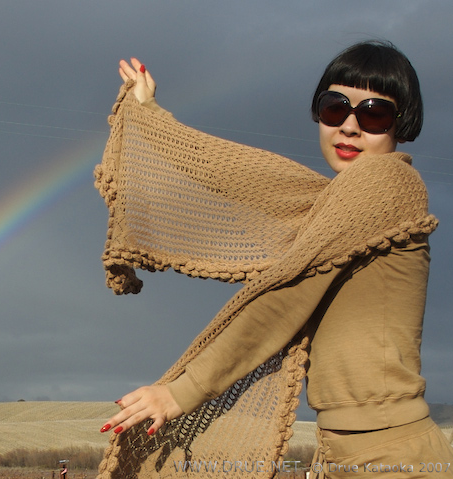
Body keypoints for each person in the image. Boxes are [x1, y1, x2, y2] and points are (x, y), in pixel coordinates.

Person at [95, 41, 452, 478]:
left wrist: (181, 392)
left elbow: (285, 294)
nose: (350, 127)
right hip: (349, 453)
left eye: (374, 113)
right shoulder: (332, 204)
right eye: (335, 108)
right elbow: (247, 176)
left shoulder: (389, 181)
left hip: (392, 458)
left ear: (402, 123)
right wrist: (152, 118)